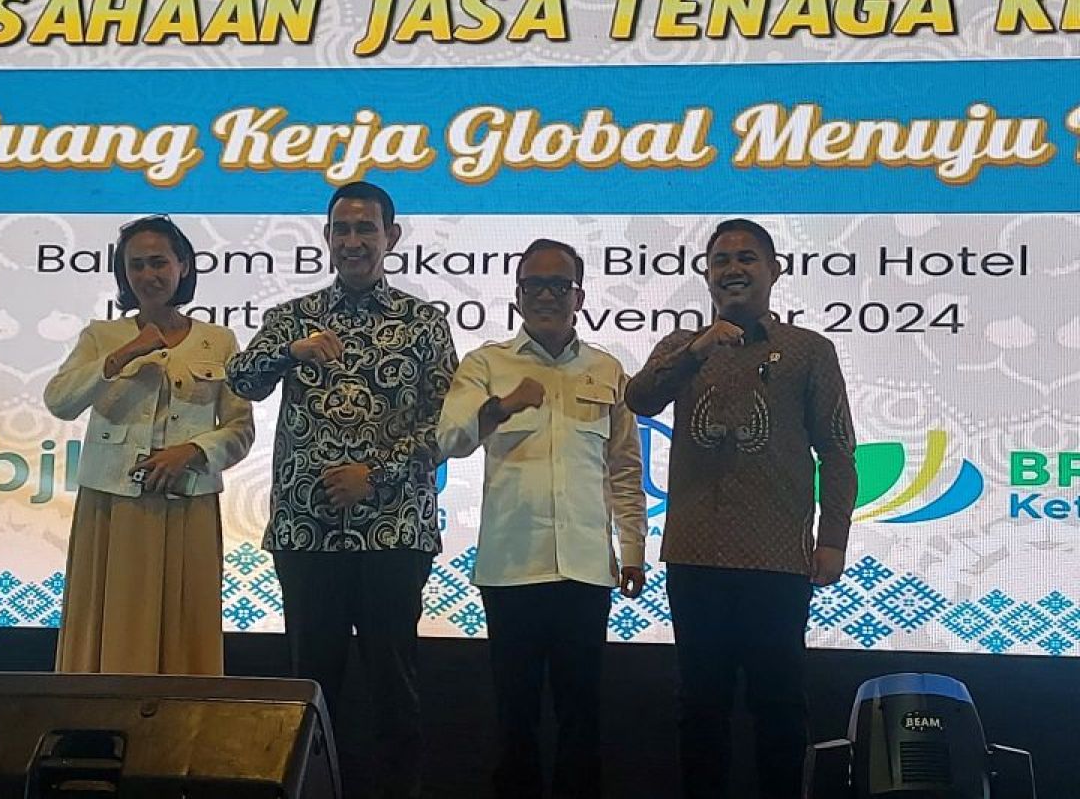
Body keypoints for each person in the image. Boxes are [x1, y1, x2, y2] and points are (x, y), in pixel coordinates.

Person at [226, 182, 458, 799]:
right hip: (307, 533)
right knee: (309, 691)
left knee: (394, 691)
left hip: (394, 532)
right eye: (342, 229)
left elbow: (445, 425)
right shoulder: (292, 318)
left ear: (391, 237)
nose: (353, 241)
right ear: (327, 238)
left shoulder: (424, 322)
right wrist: (289, 352)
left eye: (366, 229)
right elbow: (241, 380)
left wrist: (372, 476)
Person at [625, 219, 858, 799]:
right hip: (695, 556)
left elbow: (836, 449)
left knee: (780, 705)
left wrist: (833, 538)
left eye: (747, 258)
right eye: (721, 260)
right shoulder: (682, 347)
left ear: (774, 270)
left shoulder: (809, 350)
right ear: (706, 275)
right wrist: (697, 350)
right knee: (699, 705)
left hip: (776, 558)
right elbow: (640, 398)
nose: (733, 269)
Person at [438, 239, 648, 799]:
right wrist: (499, 407)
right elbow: (448, 440)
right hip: (511, 570)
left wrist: (632, 551)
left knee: (583, 717)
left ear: (580, 296)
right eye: (536, 285)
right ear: (518, 295)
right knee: (515, 719)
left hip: (586, 569)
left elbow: (625, 468)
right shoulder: (486, 364)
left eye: (560, 285)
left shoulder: (607, 369)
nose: (548, 295)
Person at [44, 214, 255, 675]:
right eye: (135, 265)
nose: (147, 275)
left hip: (189, 504)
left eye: (158, 262)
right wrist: (122, 355)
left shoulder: (219, 340)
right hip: (113, 506)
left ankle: (183, 716)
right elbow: (59, 401)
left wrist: (194, 453)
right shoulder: (102, 337)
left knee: (187, 624)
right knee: (112, 625)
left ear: (183, 266)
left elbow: (240, 429)